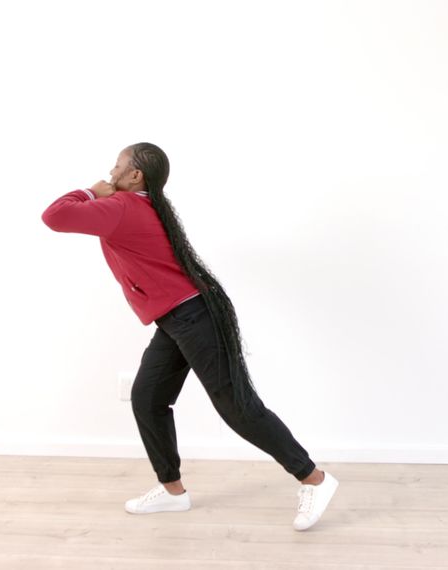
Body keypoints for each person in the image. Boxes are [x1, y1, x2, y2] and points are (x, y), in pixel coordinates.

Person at [41, 142, 338, 531]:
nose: (111, 172)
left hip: (194, 317)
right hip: (177, 318)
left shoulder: (122, 207)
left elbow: (55, 216)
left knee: (238, 408)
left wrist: (90, 191)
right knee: (148, 399)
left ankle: (314, 478)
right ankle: (172, 491)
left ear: (136, 176)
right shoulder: (142, 206)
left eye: (118, 166)